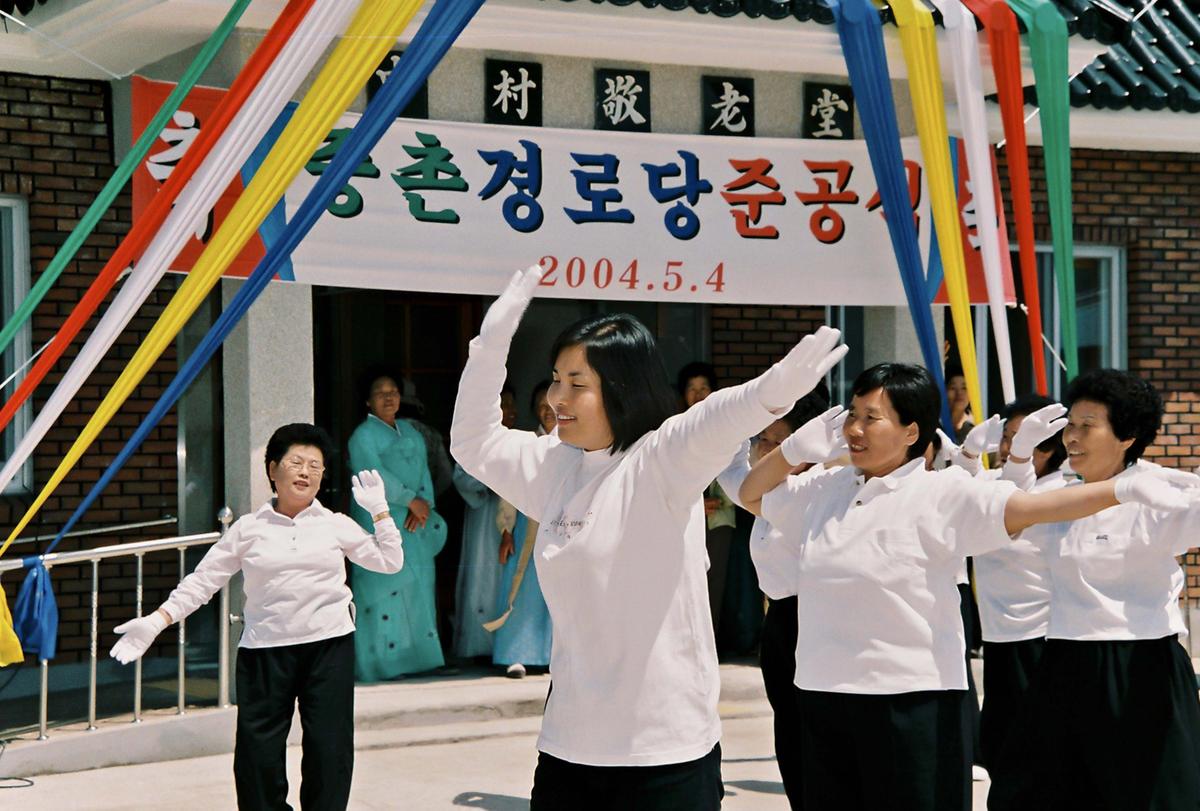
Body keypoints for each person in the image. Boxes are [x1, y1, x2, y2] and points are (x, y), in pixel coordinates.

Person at [450, 265, 848, 810]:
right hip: (570, 746)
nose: (556, 396)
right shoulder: (553, 465)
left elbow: (715, 417)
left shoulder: (659, 460)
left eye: (577, 384)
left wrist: (771, 393)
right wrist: (492, 343)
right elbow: (472, 441)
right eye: (555, 378)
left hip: (665, 754)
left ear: (619, 388)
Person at [738, 363, 1194, 811]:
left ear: (912, 432)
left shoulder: (944, 493)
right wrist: (792, 450)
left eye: (871, 418)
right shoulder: (826, 488)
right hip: (828, 693)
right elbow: (751, 494)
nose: (856, 428)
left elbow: (1029, 508)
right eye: (852, 415)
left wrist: (1122, 491)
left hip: (919, 698)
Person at [109, 423, 403, 810]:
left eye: (315, 466)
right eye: (296, 462)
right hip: (266, 651)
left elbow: (389, 561)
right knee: (257, 756)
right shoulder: (248, 529)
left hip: (328, 648)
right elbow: (203, 582)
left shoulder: (336, 524)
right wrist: (157, 620)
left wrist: (379, 511)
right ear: (272, 469)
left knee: (329, 751)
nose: (305, 472)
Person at [988, 369, 1200, 811]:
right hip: (1065, 660)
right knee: (1031, 792)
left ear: (1127, 436)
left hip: (1141, 664)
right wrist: (1019, 457)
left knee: (1148, 794)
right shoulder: (1063, 496)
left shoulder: (1158, 495)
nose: (1073, 437)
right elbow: (1002, 518)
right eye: (1071, 424)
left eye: (1089, 426)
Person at [717, 386, 834, 811]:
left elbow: (741, 489)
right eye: (760, 439)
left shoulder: (813, 489)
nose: (762, 449)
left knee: (815, 733)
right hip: (782, 620)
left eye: (774, 441)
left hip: (815, 619)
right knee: (789, 728)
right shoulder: (768, 489)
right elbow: (736, 481)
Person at [348, 370, 448, 680]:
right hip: (382, 521)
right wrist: (409, 500)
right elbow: (372, 474)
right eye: (380, 392)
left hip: (413, 524)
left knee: (416, 590)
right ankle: (381, 665)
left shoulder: (412, 432)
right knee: (383, 589)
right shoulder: (362, 436)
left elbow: (425, 476)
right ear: (368, 401)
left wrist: (423, 505)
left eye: (393, 391)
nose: (389, 397)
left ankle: (418, 661)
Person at [488, 382, 554, 678]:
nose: (547, 410)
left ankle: (556, 658)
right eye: (541, 405)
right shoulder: (525, 444)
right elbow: (509, 491)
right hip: (528, 527)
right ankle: (515, 655)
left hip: (565, 529)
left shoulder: (577, 444)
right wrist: (506, 530)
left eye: (551, 403)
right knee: (521, 591)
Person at [449, 386, 517, 661]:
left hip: (517, 517)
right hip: (484, 514)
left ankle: (508, 646)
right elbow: (461, 477)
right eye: (504, 405)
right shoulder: (475, 440)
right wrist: (491, 480)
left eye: (512, 406)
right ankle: (479, 646)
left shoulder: (519, 440)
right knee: (483, 575)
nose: (509, 411)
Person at [677, 361, 738, 639]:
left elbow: (736, 467)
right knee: (683, 582)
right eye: (692, 389)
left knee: (715, 583)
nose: (698, 395)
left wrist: (719, 501)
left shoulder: (725, 425)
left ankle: (707, 644)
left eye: (704, 388)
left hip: (719, 518)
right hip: (683, 519)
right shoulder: (674, 429)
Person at [398, 377, 455, 498]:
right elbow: (446, 474)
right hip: (424, 506)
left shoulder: (380, 432)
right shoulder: (432, 434)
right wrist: (430, 495)